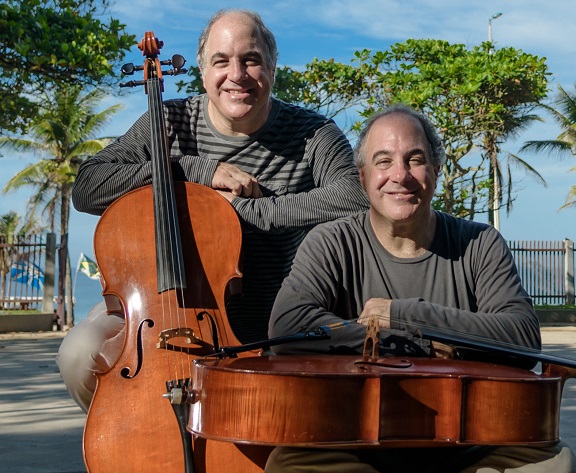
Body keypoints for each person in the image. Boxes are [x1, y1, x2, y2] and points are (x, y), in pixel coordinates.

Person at [262, 104, 576, 473]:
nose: (399, 175)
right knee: (284, 471)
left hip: (464, 460)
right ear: (362, 178)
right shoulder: (330, 240)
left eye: (415, 159)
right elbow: (288, 328)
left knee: (557, 468)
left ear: (436, 172)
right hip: (358, 457)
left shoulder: (479, 244)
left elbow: (523, 336)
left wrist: (409, 316)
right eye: (383, 161)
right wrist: (381, 336)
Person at [56, 9, 368, 412]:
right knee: (78, 354)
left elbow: (355, 197)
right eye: (221, 61)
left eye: (251, 60)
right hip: (162, 310)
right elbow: (88, 186)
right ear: (203, 72)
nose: (236, 75)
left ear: (272, 67)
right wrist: (190, 170)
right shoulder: (169, 121)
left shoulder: (312, 133)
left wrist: (253, 212)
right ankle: (135, 450)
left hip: (271, 317)